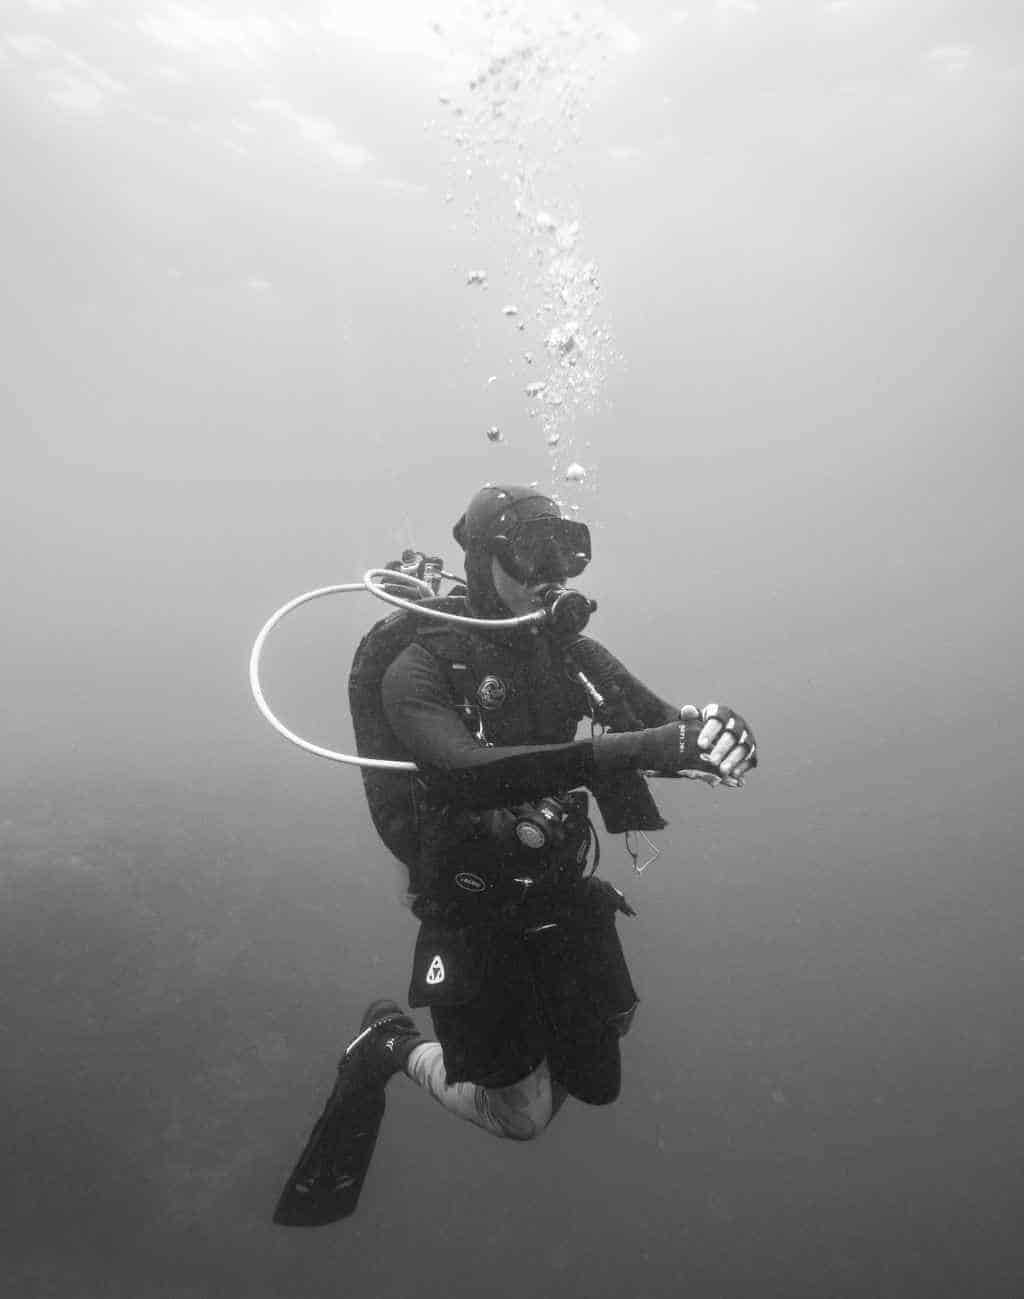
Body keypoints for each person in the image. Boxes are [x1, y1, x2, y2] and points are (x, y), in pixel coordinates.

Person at [274, 484, 757, 1224]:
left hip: (555, 887)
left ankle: (525, 1035)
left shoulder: (572, 655)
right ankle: (388, 1046)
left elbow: (661, 728)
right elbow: (465, 771)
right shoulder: (420, 664)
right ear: (482, 558)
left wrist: (716, 735)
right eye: (533, 554)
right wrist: (644, 747)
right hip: (471, 908)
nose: (552, 573)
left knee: (599, 1082)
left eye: (568, 553)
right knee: (520, 1118)